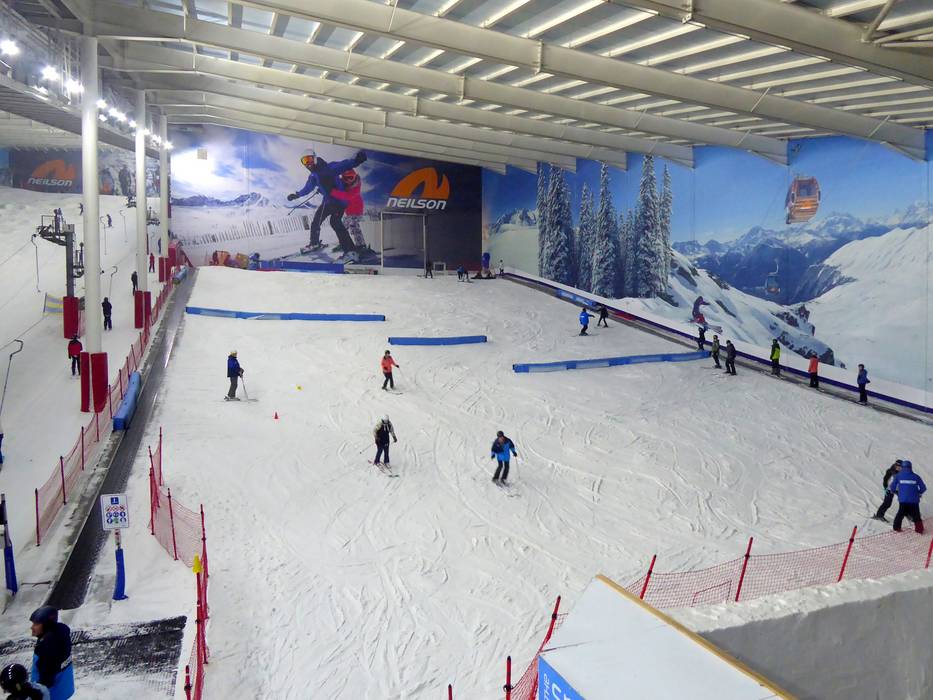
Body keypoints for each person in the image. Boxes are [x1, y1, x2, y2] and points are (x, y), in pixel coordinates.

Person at [287, 150, 367, 261]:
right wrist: (297, 195)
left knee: (334, 222)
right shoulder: (313, 176)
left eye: (310, 159)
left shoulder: (329, 168)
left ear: (315, 159)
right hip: (328, 202)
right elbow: (308, 188)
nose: (308, 163)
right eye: (305, 161)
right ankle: (315, 243)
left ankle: (350, 251)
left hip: (339, 202)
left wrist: (356, 161)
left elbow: (344, 165)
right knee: (319, 220)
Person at [29, 606, 74, 700]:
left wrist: (34, 694)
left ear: (46, 624)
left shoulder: (48, 647)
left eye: (36, 624)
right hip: (65, 687)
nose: (32, 627)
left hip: (52, 695)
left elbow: (45, 682)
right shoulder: (60, 633)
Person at [328, 169, 366, 249]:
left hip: (357, 211)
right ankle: (344, 243)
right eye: (346, 178)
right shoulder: (343, 184)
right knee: (345, 227)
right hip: (349, 211)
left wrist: (332, 192)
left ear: (355, 177)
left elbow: (347, 196)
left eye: (350, 177)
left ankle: (360, 245)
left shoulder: (356, 186)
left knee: (352, 226)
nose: (348, 180)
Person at [888, 460, 926, 534]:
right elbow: (923, 488)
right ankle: (919, 530)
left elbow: (892, 487)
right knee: (916, 515)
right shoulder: (916, 476)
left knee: (900, 513)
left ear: (902, 467)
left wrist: (896, 492)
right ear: (910, 467)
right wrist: (918, 493)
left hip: (903, 499)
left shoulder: (898, 476)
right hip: (914, 500)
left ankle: (896, 528)